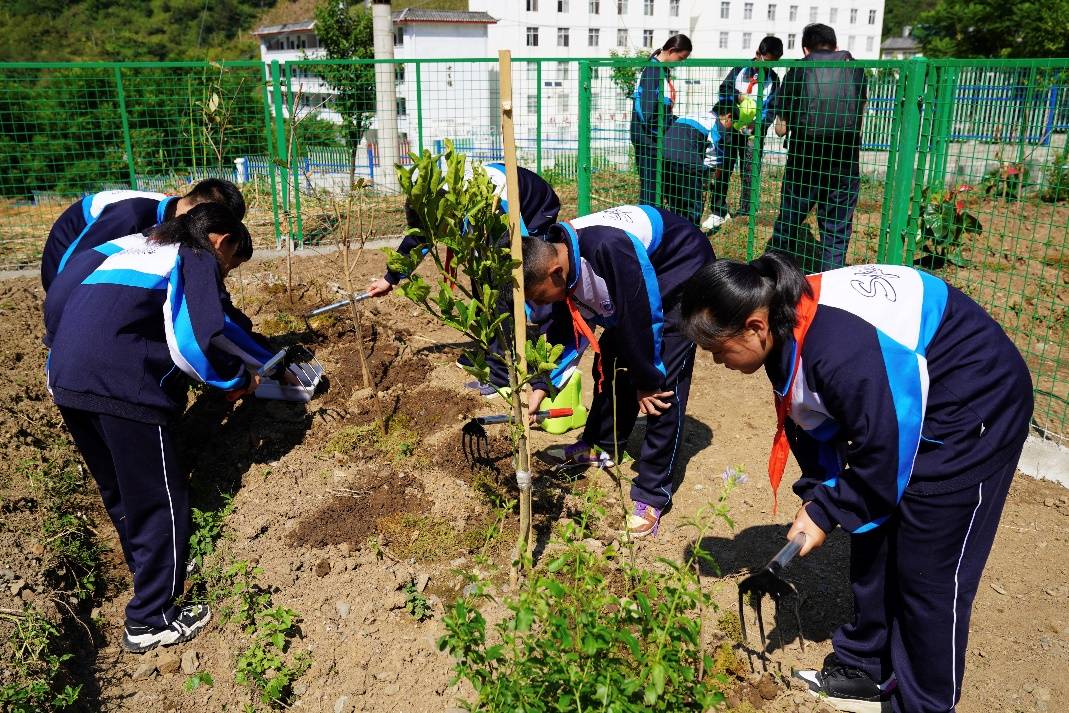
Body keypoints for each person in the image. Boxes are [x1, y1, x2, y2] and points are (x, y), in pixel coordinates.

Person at [680, 255, 1033, 713]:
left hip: (973, 404)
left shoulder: (840, 348)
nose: (714, 360)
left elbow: (883, 454)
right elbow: (813, 419)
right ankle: (866, 668)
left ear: (754, 327)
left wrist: (829, 509)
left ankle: (924, 703)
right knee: (871, 534)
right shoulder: (783, 317)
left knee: (928, 572)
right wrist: (821, 494)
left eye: (717, 349)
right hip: (901, 400)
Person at [44, 203, 268, 654]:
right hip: (125, 386)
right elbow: (195, 338)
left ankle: (147, 572)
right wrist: (236, 379)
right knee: (161, 500)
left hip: (67, 377)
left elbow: (60, 291)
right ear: (222, 241)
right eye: (230, 265)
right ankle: (150, 619)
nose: (224, 275)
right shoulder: (197, 255)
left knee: (120, 491)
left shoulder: (137, 245)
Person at [522, 204, 715, 537]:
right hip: (637, 283)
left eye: (539, 298)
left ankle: (652, 492)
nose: (540, 306)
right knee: (612, 358)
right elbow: (564, 328)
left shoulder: (609, 249)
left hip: (682, 269)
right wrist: (540, 385)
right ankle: (602, 445)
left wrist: (647, 380)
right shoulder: (560, 256)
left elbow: (642, 315)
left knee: (662, 385)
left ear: (555, 273)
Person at [367, 160, 561, 397]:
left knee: (501, 288)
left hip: (534, 207)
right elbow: (420, 239)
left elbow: (515, 258)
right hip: (491, 213)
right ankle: (489, 352)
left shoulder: (489, 206)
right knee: (481, 281)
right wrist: (390, 278)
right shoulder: (438, 202)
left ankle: (503, 375)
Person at [766, 24, 865, 272]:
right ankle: (830, 284)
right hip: (844, 164)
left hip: (804, 163)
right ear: (836, 46)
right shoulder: (855, 70)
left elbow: (781, 129)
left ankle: (776, 275)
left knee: (789, 222)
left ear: (805, 49)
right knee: (836, 230)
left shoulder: (798, 70)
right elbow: (859, 116)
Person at [41, 178, 247, 292]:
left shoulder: (174, 217)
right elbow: (73, 268)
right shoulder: (131, 214)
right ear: (203, 211)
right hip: (65, 257)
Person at [704, 35, 783, 231]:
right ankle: (718, 210)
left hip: (753, 133)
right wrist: (737, 97)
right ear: (758, 54)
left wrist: (758, 125)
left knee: (750, 170)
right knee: (723, 168)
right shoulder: (739, 69)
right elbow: (724, 90)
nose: (768, 66)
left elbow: (771, 109)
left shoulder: (774, 80)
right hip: (730, 129)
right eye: (766, 61)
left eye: (773, 63)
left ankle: (746, 213)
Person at [630, 34, 693, 207]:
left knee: (658, 187)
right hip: (648, 139)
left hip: (654, 138)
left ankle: (658, 217)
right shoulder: (653, 71)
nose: (680, 63)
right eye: (680, 58)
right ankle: (649, 220)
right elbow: (647, 113)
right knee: (650, 190)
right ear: (672, 51)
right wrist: (667, 130)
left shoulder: (661, 70)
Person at [661, 101, 737, 228]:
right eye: (732, 122)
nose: (730, 127)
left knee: (675, 204)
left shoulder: (694, 115)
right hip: (686, 162)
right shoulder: (716, 124)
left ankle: (673, 233)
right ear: (728, 116)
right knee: (692, 207)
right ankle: (691, 235)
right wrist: (710, 175)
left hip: (664, 158)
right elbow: (714, 158)